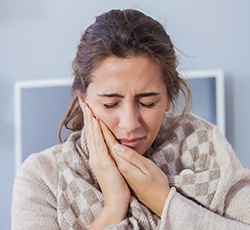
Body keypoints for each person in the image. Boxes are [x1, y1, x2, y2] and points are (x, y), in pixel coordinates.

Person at [11, 9, 250, 230]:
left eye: (147, 103)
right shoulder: (43, 176)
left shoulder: (203, 146)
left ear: (169, 98)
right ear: (84, 101)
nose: (130, 124)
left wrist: (163, 200)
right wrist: (114, 205)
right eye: (110, 104)